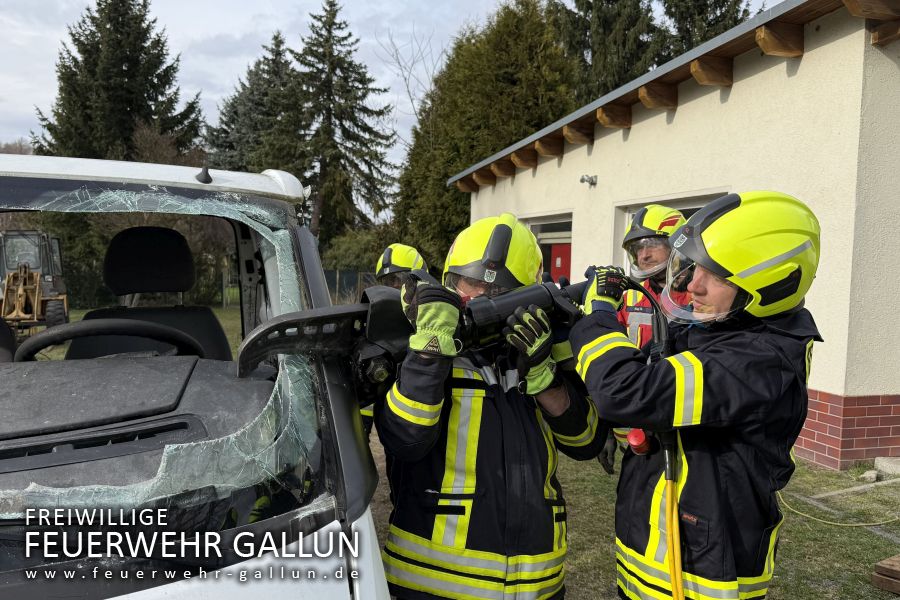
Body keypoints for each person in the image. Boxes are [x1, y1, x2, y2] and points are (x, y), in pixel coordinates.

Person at [570, 191, 822, 600]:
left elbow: (626, 391)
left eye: (716, 275)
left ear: (770, 283)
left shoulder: (759, 358)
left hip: (703, 574)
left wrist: (597, 316)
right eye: (694, 268)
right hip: (656, 559)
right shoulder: (721, 330)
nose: (692, 284)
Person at [377, 213, 604, 600]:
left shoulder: (537, 349)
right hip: (435, 586)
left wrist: (544, 377)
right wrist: (431, 349)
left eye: (500, 291)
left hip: (539, 585)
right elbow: (406, 440)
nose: (481, 299)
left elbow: (587, 442)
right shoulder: (416, 346)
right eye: (471, 283)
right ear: (449, 282)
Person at [597, 206, 691, 473]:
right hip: (637, 428)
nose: (643, 254)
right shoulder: (628, 295)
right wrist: (605, 428)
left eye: (651, 244)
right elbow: (610, 357)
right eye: (637, 248)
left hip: (684, 428)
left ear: (677, 244)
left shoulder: (701, 295)